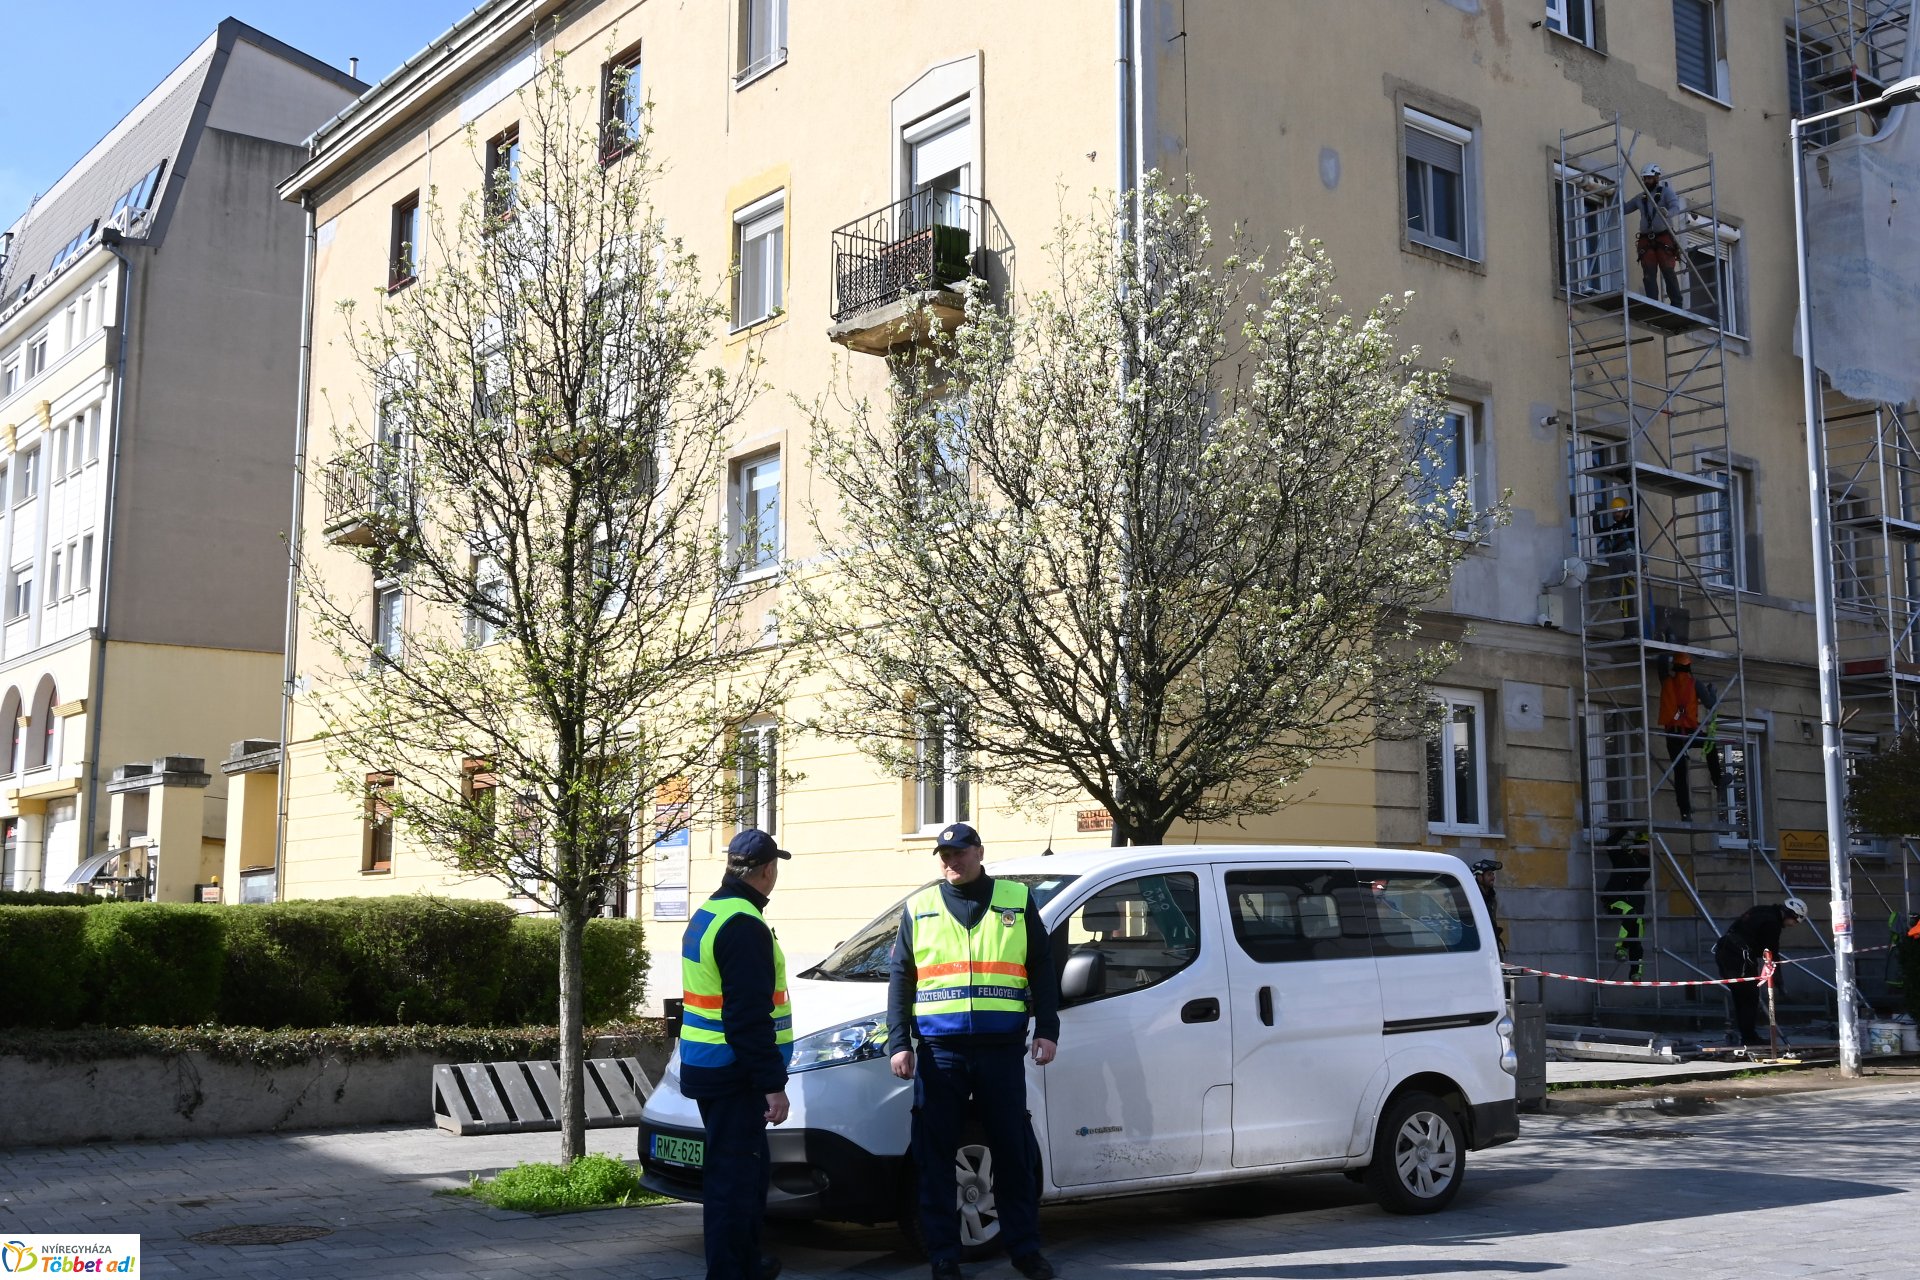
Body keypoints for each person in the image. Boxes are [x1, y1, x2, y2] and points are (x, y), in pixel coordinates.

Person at [887, 822, 1060, 1280]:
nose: (950, 861)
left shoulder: (1016, 901)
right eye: (943, 854)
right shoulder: (920, 907)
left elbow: (1041, 968)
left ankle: (1025, 1250)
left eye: (959, 852)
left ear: (979, 852)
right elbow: (902, 979)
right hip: (941, 1052)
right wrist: (898, 1041)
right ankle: (944, 1255)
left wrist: (1048, 1028)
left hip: (1001, 1050)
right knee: (935, 1156)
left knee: (1012, 1152)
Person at [679, 830, 794, 1280]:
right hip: (735, 1073)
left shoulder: (711, 911)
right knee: (733, 1182)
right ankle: (729, 1272)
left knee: (744, 1173)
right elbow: (748, 1017)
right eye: (775, 868)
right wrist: (772, 1083)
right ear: (767, 870)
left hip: (714, 1066)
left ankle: (746, 1262)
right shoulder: (744, 924)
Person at [1712, 897, 1807, 1047]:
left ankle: (1747, 1035)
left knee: (1740, 997)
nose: (1791, 925)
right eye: (1794, 922)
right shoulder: (1772, 923)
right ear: (1792, 915)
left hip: (1724, 952)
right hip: (1739, 958)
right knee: (1750, 998)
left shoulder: (1761, 910)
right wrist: (1779, 981)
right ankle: (1749, 1038)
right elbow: (1772, 953)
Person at [1627, 163, 1686, 307]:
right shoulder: (1640, 198)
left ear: (1656, 177)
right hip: (1646, 239)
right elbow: (1624, 209)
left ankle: (1677, 303)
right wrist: (1615, 194)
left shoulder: (1666, 192)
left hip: (1663, 237)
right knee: (1648, 273)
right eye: (1645, 178)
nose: (1646, 181)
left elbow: (1675, 207)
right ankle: (1652, 302)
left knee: (1668, 271)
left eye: (1649, 178)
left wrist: (1668, 213)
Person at [1657, 654, 1702, 822]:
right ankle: (1717, 779)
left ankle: (1685, 811)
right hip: (1688, 733)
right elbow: (1710, 701)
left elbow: (1661, 666)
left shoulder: (1667, 682)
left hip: (1673, 734)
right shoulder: (1693, 684)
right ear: (1689, 668)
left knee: (1680, 773)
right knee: (1709, 744)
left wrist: (1666, 647)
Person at [1469, 859, 1506, 957]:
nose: (1493, 877)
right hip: (1477, 950)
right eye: (1489, 874)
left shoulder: (1491, 897)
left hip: (1492, 947)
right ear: (1479, 877)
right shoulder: (1472, 898)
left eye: (1493, 874)